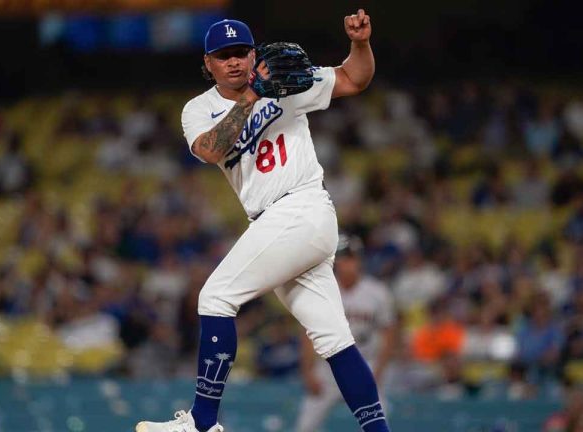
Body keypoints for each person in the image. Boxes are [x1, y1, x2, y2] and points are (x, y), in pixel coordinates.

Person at [136, 9, 383, 432]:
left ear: (254, 55)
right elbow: (211, 149)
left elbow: (353, 79)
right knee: (334, 339)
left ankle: (202, 423)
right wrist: (252, 96)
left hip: (301, 208)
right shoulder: (198, 109)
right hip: (278, 223)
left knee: (215, 298)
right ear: (208, 63)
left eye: (240, 52)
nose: (233, 61)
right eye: (223, 54)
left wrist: (359, 45)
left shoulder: (286, 84)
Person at [295, 235, 395, 432]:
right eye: (341, 258)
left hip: (367, 363)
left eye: (350, 258)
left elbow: (389, 335)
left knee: (377, 421)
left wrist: (380, 370)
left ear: (359, 260)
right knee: (305, 427)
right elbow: (308, 332)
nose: (345, 263)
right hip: (327, 368)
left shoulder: (377, 292)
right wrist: (308, 370)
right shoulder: (322, 291)